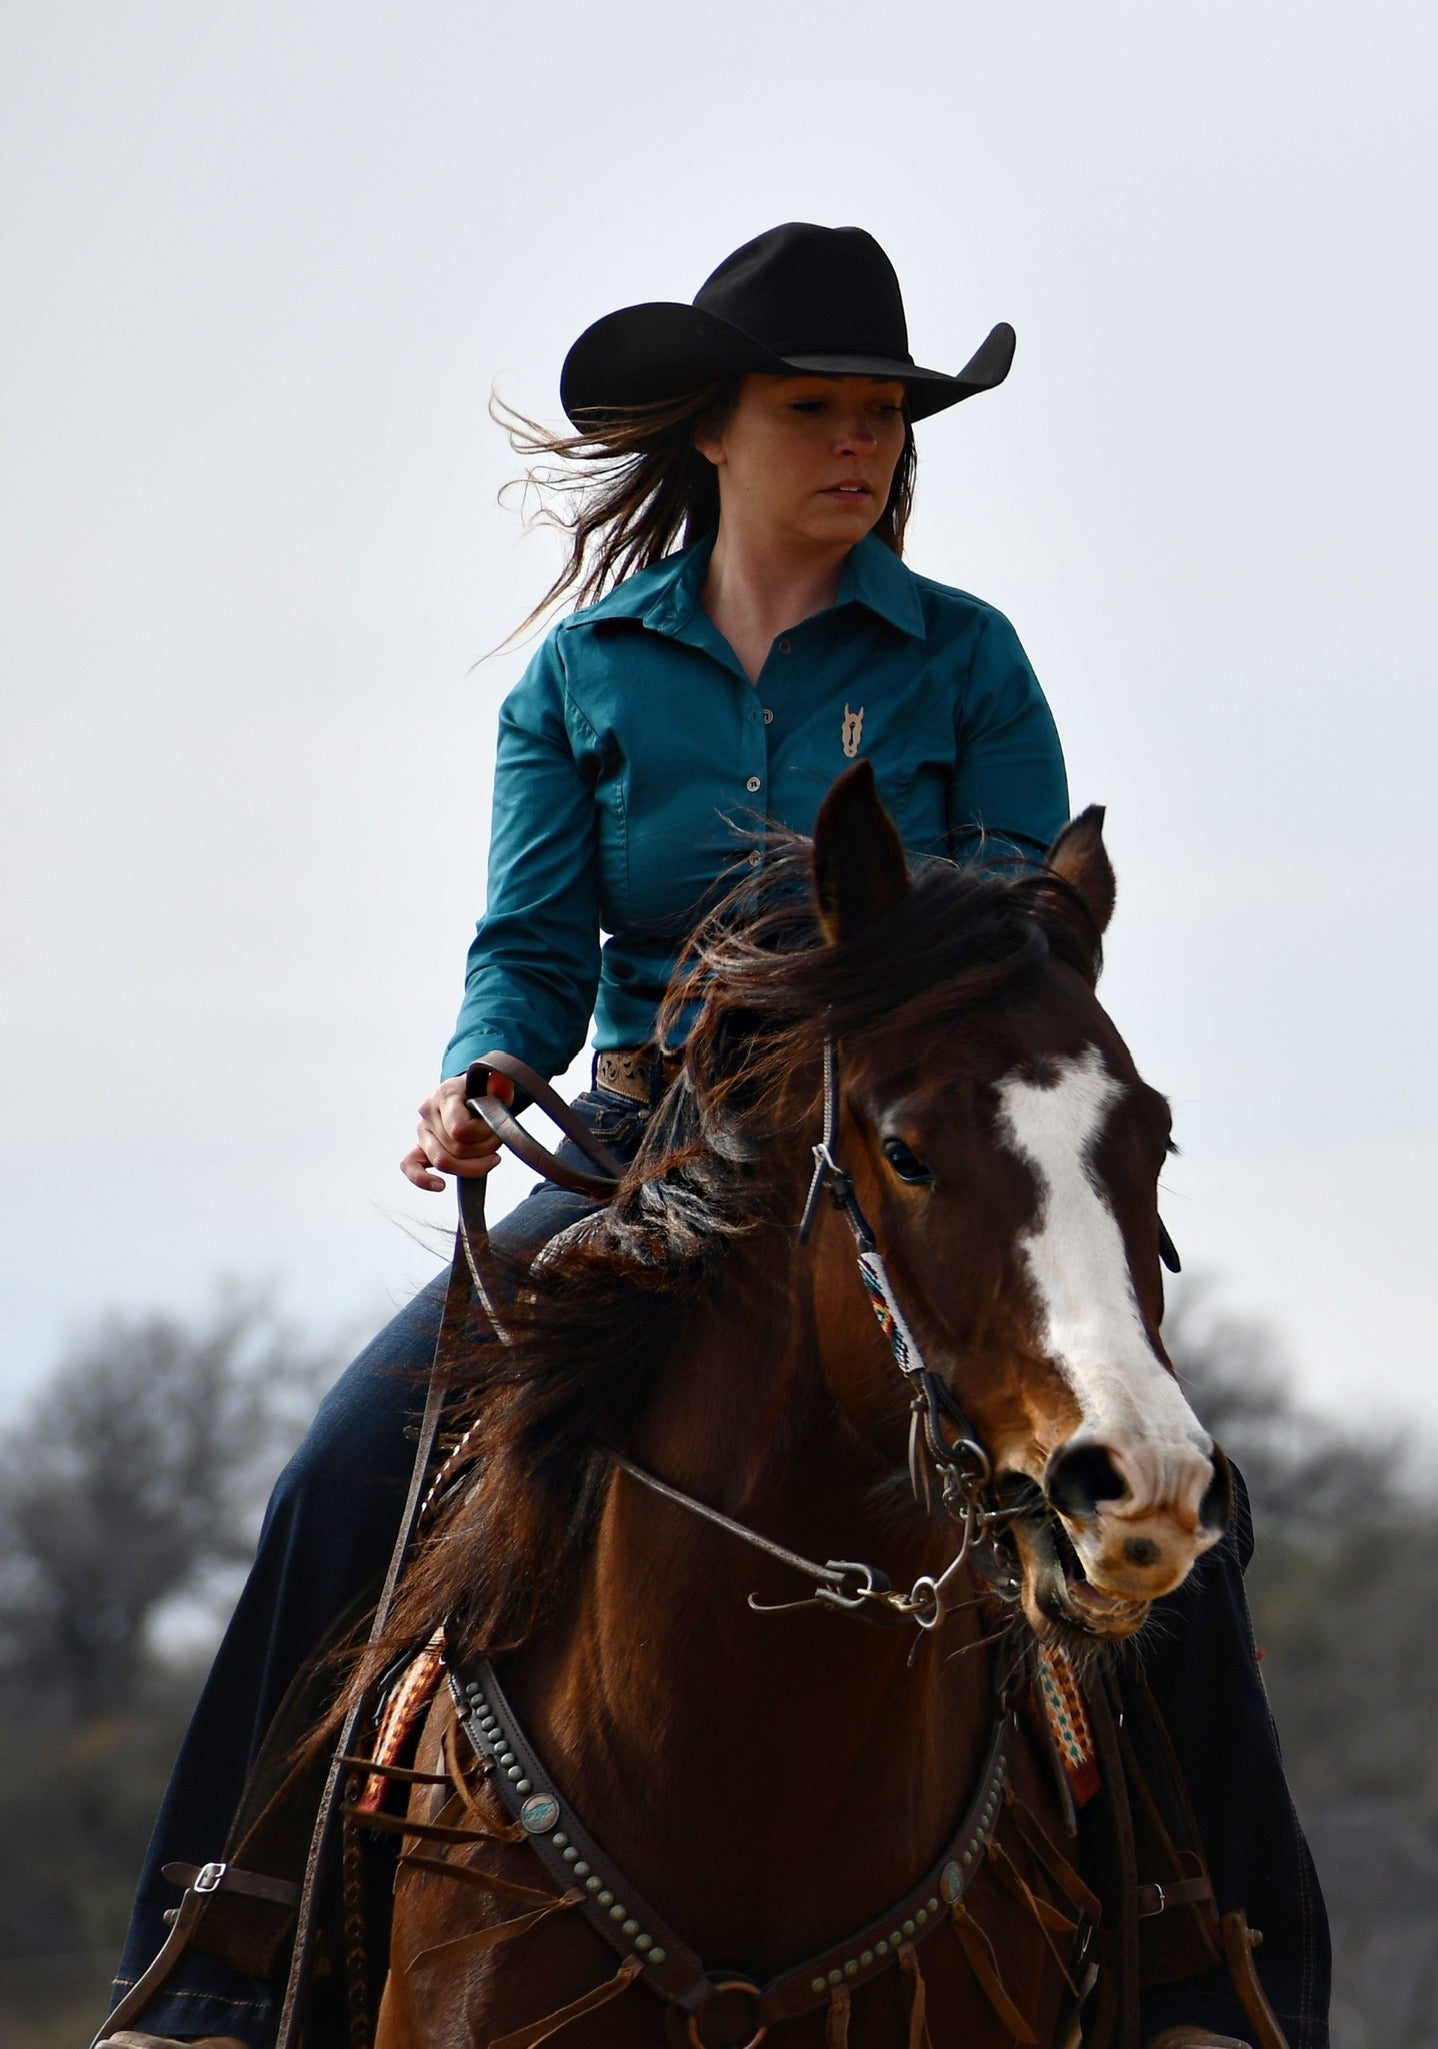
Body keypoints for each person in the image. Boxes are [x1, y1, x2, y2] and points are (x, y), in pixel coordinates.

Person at [106, 223, 1329, 2049]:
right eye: (816, 410)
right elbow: (529, 943)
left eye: (886, 418)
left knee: (1167, 1510)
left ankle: (1207, 1972)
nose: (862, 445)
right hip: (635, 1149)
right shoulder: (584, 678)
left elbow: (1017, 944)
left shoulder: (968, 662)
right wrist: (481, 1075)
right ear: (714, 434)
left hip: (910, 1152)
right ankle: (216, 1957)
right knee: (346, 1463)